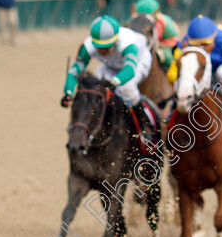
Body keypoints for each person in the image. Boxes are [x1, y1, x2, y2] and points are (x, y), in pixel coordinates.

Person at [61, 15, 157, 144]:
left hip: (138, 62)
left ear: (116, 41)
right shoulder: (88, 46)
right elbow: (74, 72)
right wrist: (68, 92)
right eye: (99, 48)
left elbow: (130, 70)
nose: (102, 51)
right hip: (110, 65)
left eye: (107, 47)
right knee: (93, 90)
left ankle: (145, 124)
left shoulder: (128, 43)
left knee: (126, 88)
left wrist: (114, 82)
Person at [131, 0, 178, 70]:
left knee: (166, 57)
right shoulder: (138, 20)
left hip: (164, 44)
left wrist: (160, 45)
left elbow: (171, 37)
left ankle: (169, 73)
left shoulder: (162, 21)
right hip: (149, 43)